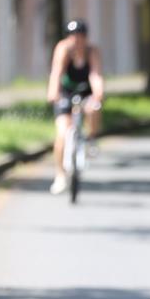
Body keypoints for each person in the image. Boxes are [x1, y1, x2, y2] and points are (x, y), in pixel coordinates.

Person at [46, 19, 105, 195]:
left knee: (93, 108)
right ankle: (60, 175)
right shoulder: (63, 49)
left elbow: (95, 74)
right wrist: (53, 92)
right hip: (66, 92)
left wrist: (98, 93)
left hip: (85, 91)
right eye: (73, 37)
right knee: (62, 133)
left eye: (80, 37)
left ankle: (91, 138)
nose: (76, 41)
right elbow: (56, 72)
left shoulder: (91, 51)